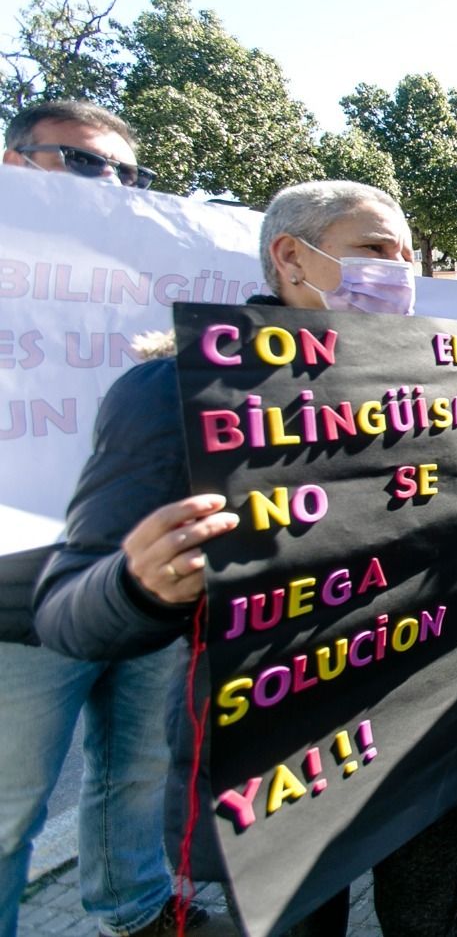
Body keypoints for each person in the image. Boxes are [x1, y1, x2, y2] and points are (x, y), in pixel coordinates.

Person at [32, 181, 457, 935]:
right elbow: (67, 617)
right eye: (375, 250)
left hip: (428, 733)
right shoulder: (175, 394)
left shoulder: (448, 385)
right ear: (290, 257)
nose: (399, 272)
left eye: (407, 256)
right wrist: (138, 585)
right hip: (288, 769)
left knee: (431, 924)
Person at [0, 100, 206, 937]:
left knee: (136, 772)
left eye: (130, 175)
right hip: (20, 607)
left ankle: (134, 907)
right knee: (11, 807)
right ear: (16, 164)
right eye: (84, 165)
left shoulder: (148, 287)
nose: (112, 188)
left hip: (148, 591)